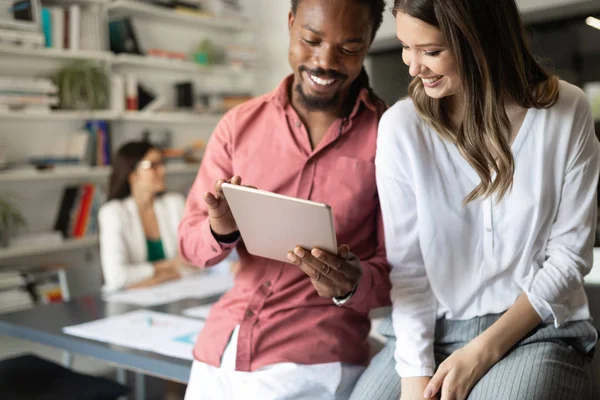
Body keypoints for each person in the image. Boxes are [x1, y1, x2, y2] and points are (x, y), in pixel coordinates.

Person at [349, 1, 600, 399]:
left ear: (483, 41)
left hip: (534, 326)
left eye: (431, 51)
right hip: (430, 329)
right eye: (405, 47)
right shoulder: (402, 127)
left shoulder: (566, 112)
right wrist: (415, 382)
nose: (413, 67)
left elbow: (570, 256)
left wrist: (483, 351)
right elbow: (410, 271)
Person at [178, 0, 392, 398]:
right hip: (219, 351)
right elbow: (190, 245)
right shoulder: (239, 124)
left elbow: (403, 272)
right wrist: (219, 229)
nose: (325, 62)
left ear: (369, 43)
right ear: (291, 25)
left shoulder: (391, 136)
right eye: (311, 40)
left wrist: (353, 283)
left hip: (313, 362)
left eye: (348, 48)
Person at [99, 141, 185, 292]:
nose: (162, 170)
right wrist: (168, 267)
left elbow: (194, 264)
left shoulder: (174, 204)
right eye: (153, 165)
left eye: (162, 164)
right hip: (128, 304)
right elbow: (116, 276)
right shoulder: (113, 212)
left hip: (175, 292)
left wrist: (151, 278)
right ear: (131, 174)